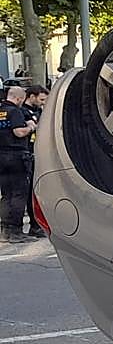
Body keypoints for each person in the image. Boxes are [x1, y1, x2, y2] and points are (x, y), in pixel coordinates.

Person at [0, 85, 37, 243]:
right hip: (16, 156)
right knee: (18, 194)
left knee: (6, 194)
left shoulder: (1, 110)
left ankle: (5, 231)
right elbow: (18, 132)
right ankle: (16, 231)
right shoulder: (15, 111)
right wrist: (30, 127)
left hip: (1, 156)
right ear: (19, 98)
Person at [20, 85, 48, 238]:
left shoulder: (39, 111)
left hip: (38, 153)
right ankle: (34, 225)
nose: (43, 103)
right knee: (30, 190)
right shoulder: (22, 112)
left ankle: (37, 224)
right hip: (27, 154)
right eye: (41, 99)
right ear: (32, 96)